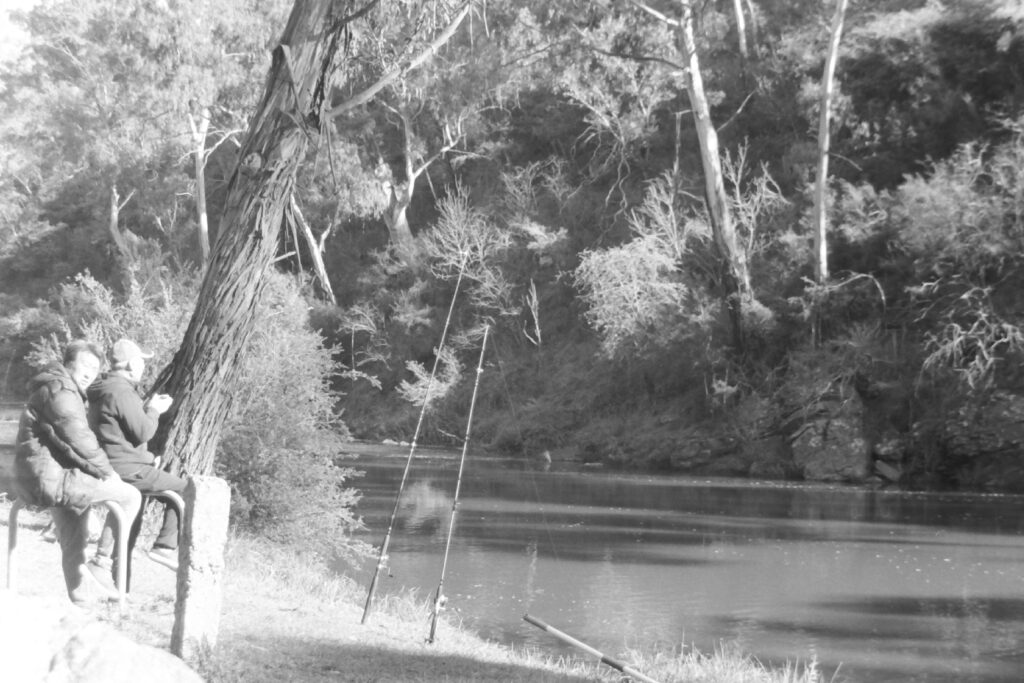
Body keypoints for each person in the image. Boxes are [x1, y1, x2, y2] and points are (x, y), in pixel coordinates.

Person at [13, 339, 142, 605]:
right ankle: (102, 563)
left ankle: (81, 598)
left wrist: (93, 472)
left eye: (94, 369)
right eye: (85, 365)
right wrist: (108, 474)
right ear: (69, 363)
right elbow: (79, 439)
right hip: (50, 480)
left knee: (74, 534)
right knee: (129, 496)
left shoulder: (52, 386)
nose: (89, 373)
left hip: (39, 479)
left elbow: (66, 445)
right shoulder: (61, 391)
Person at [87, 338, 184, 588]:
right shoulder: (121, 390)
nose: (143, 366)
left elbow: (118, 438)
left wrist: (149, 458)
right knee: (186, 490)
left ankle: (115, 582)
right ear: (131, 364)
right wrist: (154, 410)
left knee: (130, 519)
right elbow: (143, 433)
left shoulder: (103, 387)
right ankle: (164, 546)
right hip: (127, 468)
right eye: (141, 361)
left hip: (114, 463)